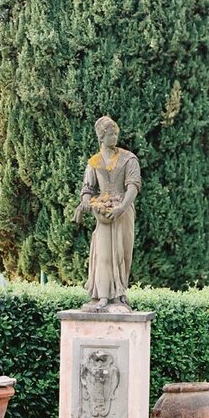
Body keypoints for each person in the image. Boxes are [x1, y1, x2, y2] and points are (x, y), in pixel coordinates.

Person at [73, 115, 141, 312]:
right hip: (102, 213)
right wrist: (86, 203)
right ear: (101, 137)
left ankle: (119, 294)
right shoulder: (94, 162)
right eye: (111, 134)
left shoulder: (129, 159)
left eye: (116, 134)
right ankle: (102, 296)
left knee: (123, 252)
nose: (115, 138)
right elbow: (87, 189)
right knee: (103, 254)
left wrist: (121, 207)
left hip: (124, 211)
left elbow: (133, 186)